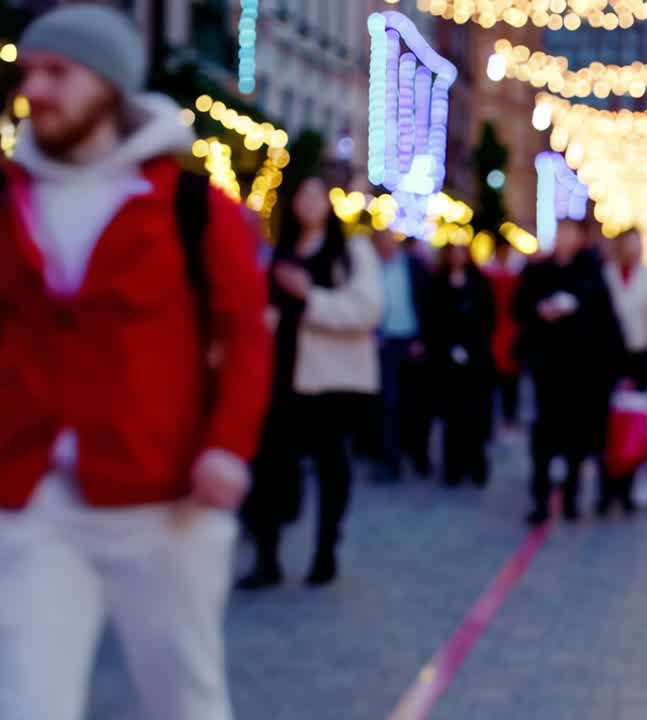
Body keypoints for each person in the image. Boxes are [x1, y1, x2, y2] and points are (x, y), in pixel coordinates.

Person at [0, 7, 272, 720]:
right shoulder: (11, 198)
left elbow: (246, 333)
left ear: (110, 84)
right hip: (35, 500)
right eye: (30, 73)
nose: (38, 90)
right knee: (28, 701)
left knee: (183, 699)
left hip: (165, 500)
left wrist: (227, 450)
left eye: (58, 72)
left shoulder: (191, 205)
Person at [237, 176, 383, 590]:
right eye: (301, 194)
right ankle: (267, 554)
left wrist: (310, 298)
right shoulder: (280, 253)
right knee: (270, 462)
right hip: (281, 373)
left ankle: (325, 549)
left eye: (317, 194)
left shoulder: (350, 252)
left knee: (330, 464)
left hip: (330, 380)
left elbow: (368, 309)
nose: (309, 202)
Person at [515, 218, 625, 525]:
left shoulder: (591, 275)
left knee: (576, 437)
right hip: (546, 369)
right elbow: (520, 307)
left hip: (580, 371)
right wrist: (541, 310)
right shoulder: (538, 271)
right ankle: (539, 498)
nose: (564, 238)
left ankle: (571, 499)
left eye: (569, 233)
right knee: (543, 438)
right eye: (560, 232)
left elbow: (605, 320)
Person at [601, 228, 647, 515]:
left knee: (636, 426)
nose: (632, 249)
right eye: (627, 244)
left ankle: (630, 489)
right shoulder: (606, 274)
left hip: (641, 357)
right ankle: (607, 490)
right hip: (611, 359)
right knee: (609, 426)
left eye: (637, 245)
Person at [427, 242, 496, 487]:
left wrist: (470, 345)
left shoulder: (478, 282)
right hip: (447, 364)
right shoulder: (438, 283)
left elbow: (488, 317)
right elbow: (432, 319)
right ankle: (453, 467)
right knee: (453, 418)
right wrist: (448, 347)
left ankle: (475, 465)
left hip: (475, 361)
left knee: (474, 416)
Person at [372, 226, 432, 483]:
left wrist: (422, 338)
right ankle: (390, 460)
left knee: (417, 403)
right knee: (389, 404)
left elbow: (428, 303)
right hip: (385, 342)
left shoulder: (414, 266)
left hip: (411, 340)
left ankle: (419, 455)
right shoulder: (371, 270)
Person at [484, 236, 525, 429]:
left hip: (512, 332)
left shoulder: (518, 272)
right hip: (493, 331)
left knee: (512, 379)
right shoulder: (487, 272)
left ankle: (510, 416)